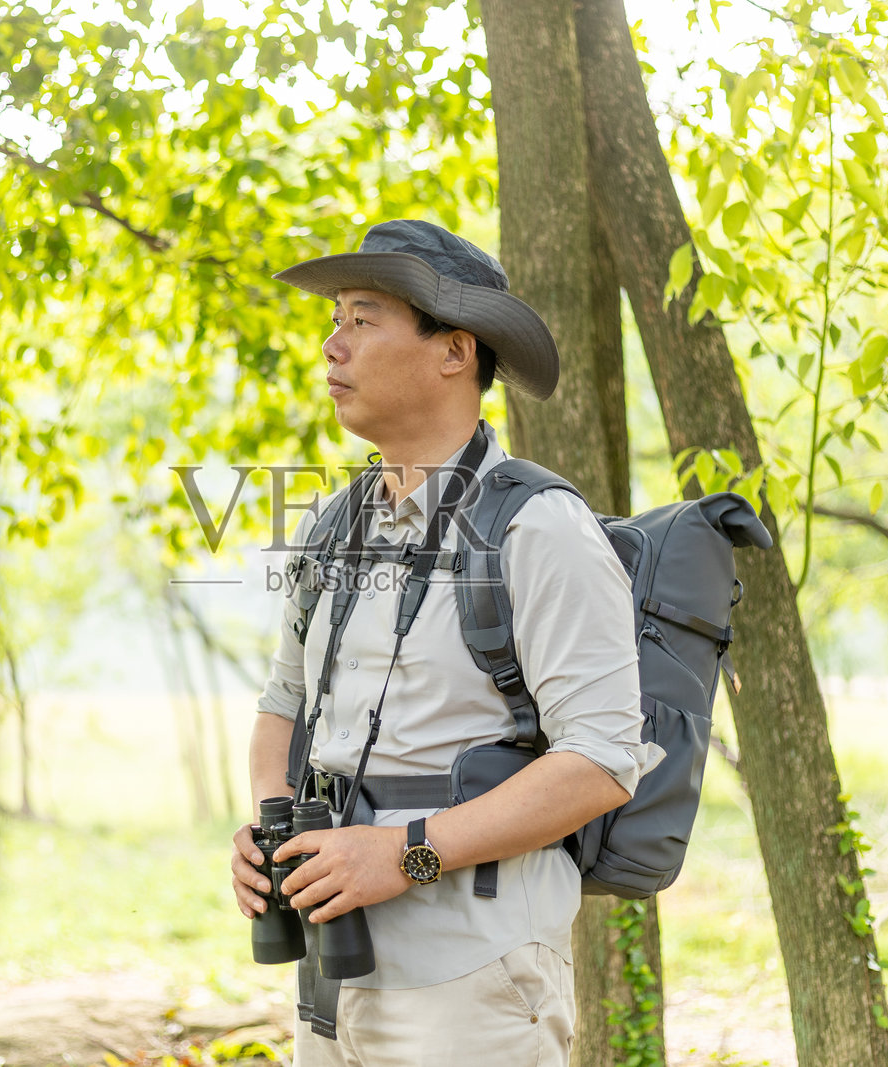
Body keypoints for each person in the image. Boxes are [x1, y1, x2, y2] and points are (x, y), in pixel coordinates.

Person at [228, 219, 663, 1066]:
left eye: (362, 320)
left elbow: (603, 760)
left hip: (475, 979)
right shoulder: (331, 528)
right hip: (330, 972)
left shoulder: (539, 528)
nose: (332, 345)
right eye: (334, 321)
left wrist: (406, 855)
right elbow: (283, 706)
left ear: (455, 351)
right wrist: (266, 829)